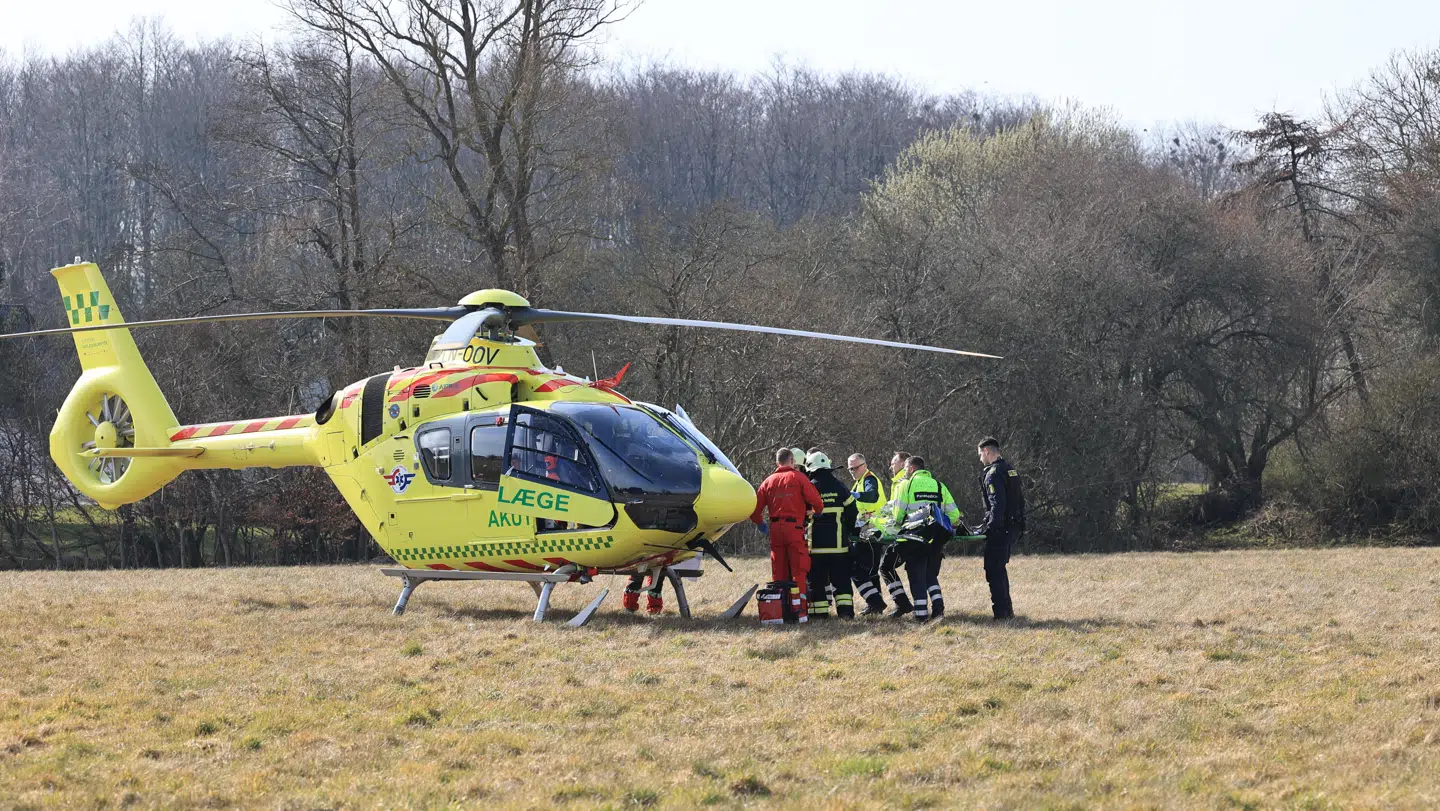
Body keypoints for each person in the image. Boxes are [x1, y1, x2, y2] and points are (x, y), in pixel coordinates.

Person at [886, 456, 961, 622]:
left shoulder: (905, 484)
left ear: (911, 468)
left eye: (905, 469)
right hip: (935, 540)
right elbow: (954, 515)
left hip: (914, 538)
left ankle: (920, 615)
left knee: (916, 576)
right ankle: (938, 610)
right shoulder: (940, 486)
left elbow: (898, 516)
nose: (904, 472)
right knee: (930, 575)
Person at [751, 447, 824, 612]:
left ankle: (780, 609)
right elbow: (816, 501)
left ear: (777, 462)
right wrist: (817, 512)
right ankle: (799, 609)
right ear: (792, 461)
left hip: (775, 528)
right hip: (795, 528)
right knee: (799, 569)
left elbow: (755, 509)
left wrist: (760, 524)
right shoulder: (799, 478)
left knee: (779, 570)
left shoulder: (767, 482)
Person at [804, 451, 857, 619]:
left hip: (816, 547)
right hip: (839, 546)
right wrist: (848, 531)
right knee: (841, 582)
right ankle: (846, 613)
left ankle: (819, 614)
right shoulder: (840, 486)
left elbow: (802, 514)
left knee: (817, 582)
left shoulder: (809, 488)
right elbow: (852, 512)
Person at [976, 437, 1024, 620]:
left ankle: (1001, 614)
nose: (980, 458)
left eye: (981, 454)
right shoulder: (1010, 470)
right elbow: (1020, 500)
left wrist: (991, 528)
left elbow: (997, 504)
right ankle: (1007, 611)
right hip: (1013, 526)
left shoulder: (994, 473)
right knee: (1000, 569)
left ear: (987, 451)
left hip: (1000, 528)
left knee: (993, 570)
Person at [846, 453, 890, 616]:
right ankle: (875, 604)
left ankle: (875, 603)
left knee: (862, 570)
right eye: (850, 469)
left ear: (864, 465)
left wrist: (856, 495)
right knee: (867, 571)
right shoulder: (858, 482)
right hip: (865, 530)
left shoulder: (869, 479)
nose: (853, 471)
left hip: (873, 530)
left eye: (855, 468)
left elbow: (872, 496)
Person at [874, 451, 915, 617]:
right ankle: (904, 603)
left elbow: (898, 510)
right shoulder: (899, 481)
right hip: (907, 531)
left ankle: (903, 604)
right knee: (887, 566)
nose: (891, 466)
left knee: (885, 567)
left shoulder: (902, 481)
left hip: (904, 533)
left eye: (894, 462)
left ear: (904, 463)